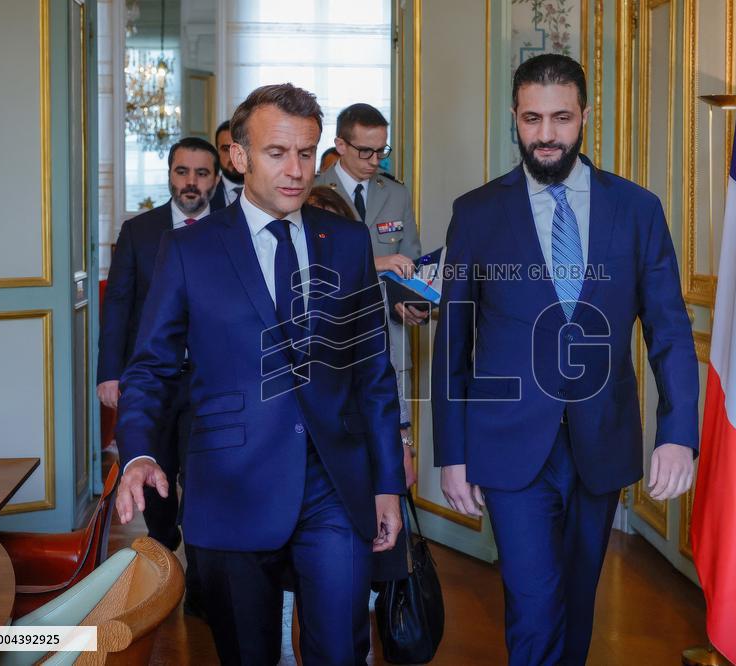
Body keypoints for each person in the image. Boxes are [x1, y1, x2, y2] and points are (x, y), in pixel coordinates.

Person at [115, 83, 405, 665]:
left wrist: (387, 482)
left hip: (333, 485)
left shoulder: (348, 243)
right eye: (278, 153)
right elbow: (151, 367)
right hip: (231, 487)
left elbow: (373, 371)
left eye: (306, 152)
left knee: (342, 652)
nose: (296, 170)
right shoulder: (188, 250)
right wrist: (140, 452)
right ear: (240, 158)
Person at [432, 53, 699, 664]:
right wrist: (453, 452)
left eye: (560, 118)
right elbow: (454, 341)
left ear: (585, 115)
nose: (546, 135)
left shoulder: (638, 210)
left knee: (578, 602)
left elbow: (669, 330)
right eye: (532, 119)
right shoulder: (475, 213)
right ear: (515, 119)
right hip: (506, 445)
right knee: (534, 601)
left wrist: (678, 433)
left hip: (600, 441)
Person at [97, 135, 219, 554]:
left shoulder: (232, 229)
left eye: (201, 173)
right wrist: (111, 373)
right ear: (169, 175)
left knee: (205, 477)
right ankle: (164, 552)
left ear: (216, 179)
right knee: (157, 472)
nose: (191, 182)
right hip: (155, 380)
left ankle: (203, 579)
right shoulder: (139, 232)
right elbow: (118, 306)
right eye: (182, 171)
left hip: (212, 380)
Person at [315, 103, 426, 459]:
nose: (375, 159)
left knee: (394, 452)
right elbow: (316, 270)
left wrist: (412, 301)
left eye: (382, 150)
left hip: (389, 340)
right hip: (332, 341)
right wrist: (379, 263)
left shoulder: (396, 193)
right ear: (340, 145)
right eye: (366, 150)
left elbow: (410, 260)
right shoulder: (312, 193)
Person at [211, 119, 244, 209]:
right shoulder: (206, 194)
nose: (233, 156)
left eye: (239, 148)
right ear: (217, 152)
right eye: (226, 149)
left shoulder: (268, 193)